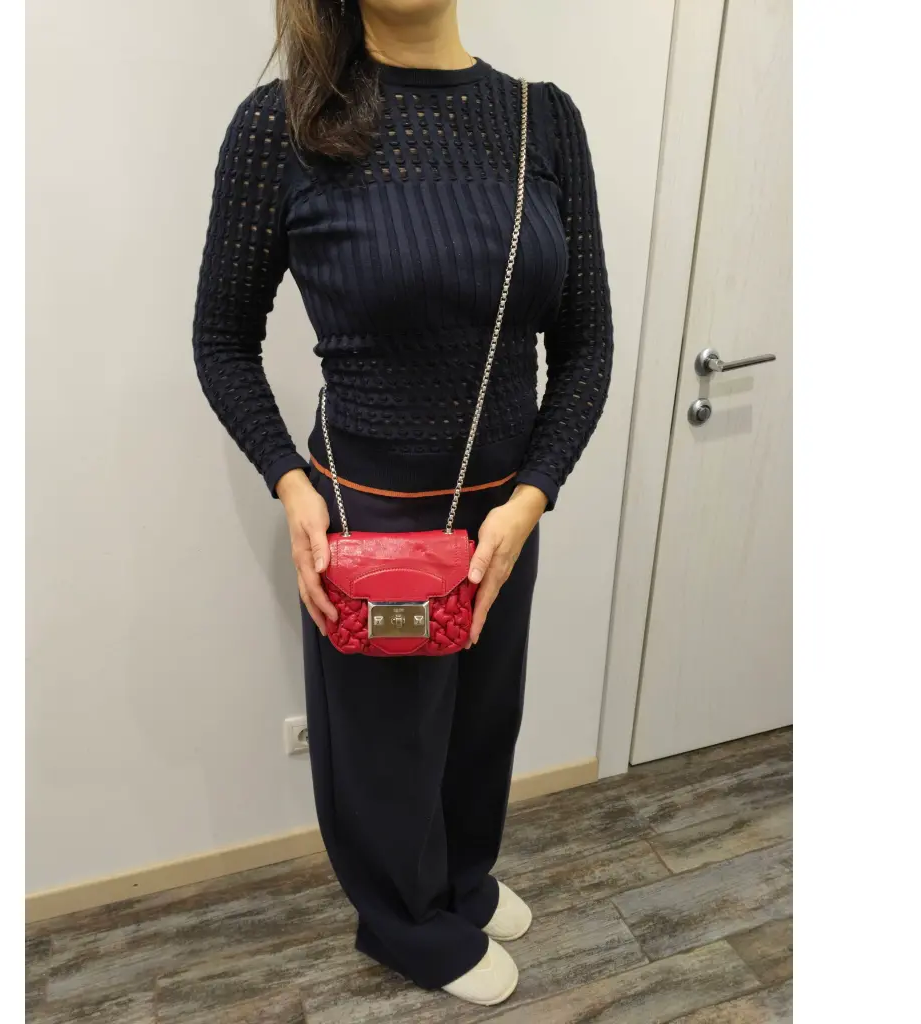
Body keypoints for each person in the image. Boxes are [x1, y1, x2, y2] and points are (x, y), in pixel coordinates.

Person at [192, 0, 612, 1007]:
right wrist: (290, 482)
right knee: (388, 744)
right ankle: (403, 921)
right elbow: (221, 340)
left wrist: (532, 496)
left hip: (503, 516)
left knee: (482, 720)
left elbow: (586, 344)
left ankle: (460, 880)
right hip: (370, 521)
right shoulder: (284, 126)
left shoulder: (543, 120)